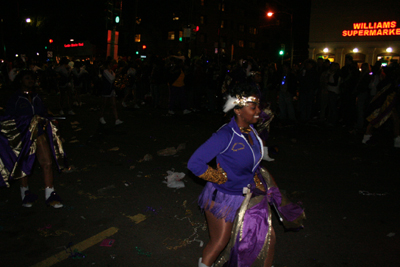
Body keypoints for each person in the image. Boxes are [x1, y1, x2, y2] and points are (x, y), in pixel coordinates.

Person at [188, 82, 305, 267]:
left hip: (250, 195)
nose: (259, 110)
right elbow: (194, 163)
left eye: (259, 106)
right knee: (220, 242)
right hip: (224, 197)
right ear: (238, 110)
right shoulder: (225, 136)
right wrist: (218, 177)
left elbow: (253, 161)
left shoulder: (251, 130)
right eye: (254, 107)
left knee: (268, 238)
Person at [0, 70, 65, 208]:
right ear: (20, 81)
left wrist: (48, 118)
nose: (30, 81)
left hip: (39, 134)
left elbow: (43, 112)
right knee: (24, 165)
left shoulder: (36, 97)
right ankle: (25, 192)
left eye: (32, 78)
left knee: (47, 162)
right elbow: (8, 120)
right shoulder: (15, 99)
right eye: (27, 78)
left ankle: (50, 193)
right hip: (23, 137)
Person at [99, 59, 123, 125]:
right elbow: (111, 79)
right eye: (111, 63)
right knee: (104, 104)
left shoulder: (111, 71)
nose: (112, 65)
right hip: (106, 90)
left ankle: (116, 119)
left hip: (111, 89)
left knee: (114, 104)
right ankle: (101, 117)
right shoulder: (105, 71)